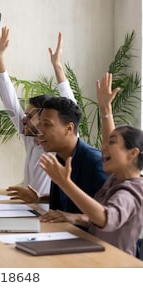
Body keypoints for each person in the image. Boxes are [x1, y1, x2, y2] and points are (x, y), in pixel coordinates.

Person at [39, 72, 143, 256]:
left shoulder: (131, 191)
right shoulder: (115, 181)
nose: (103, 148)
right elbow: (97, 214)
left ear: (132, 154)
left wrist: (65, 183)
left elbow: (106, 218)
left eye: (112, 143)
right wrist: (105, 110)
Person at [0, 26, 75, 198]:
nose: (24, 119)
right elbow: (10, 100)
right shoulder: (30, 137)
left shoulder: (58, 143)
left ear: (45, 119)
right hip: (30, 209)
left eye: (30, 116)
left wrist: (57, 66)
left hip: (49, 213)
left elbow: (71, 106)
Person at [36, 95, 108, 220]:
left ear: (68, 128)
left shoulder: (95, 162)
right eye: (40, 125)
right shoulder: (60, 158)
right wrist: (38, 198)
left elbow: (111, 218)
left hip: (89, 238)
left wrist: (75, 217)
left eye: (47, 125)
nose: (40, 131)